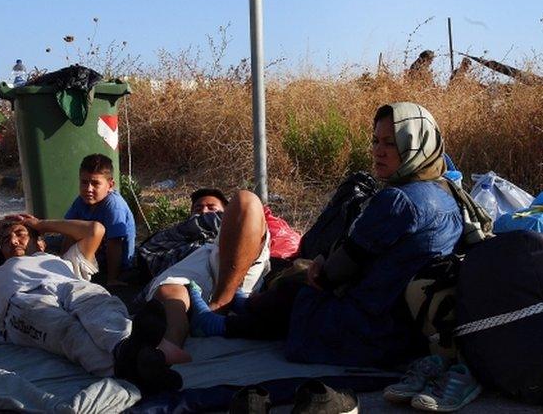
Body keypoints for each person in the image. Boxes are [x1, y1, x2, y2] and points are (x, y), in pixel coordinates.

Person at [188, 102, 464, 369]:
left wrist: (318, 269)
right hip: (407, 325)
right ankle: (247, 305)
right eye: (375, 141)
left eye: (390, 143)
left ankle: (222, 324)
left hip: (373, 330)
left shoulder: (398, 200)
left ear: (416, 144)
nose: (378, 151)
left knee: (304, 285)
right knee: (303, 276)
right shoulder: (448, 190)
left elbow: (335, 273)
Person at [0, 215, 182, 393]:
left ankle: (130, 347)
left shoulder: (64, 261)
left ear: (40, 242)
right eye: (5, 239)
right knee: (65, 330)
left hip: (67, 284)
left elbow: (96, 230)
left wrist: (40, 224)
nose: (13, 240)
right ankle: (133, 368)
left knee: (98, 303)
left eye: (20, 234)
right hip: (23, 302)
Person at [145, 187, 270, 361]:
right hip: (191, 260)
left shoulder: (232, 221)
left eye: (212, 208)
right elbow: (150, 253)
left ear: (227, 212)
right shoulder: (176, 233)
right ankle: (168, 349)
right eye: (198, 208)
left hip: (229, 257)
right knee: (170, 289)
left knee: (246, 200)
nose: (204, 211)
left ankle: (219, 306)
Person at [62, 154, 137, 284]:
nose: (88, 189)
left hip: (113, 266)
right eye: (84, 182)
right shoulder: (81, 201)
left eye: (95, 183)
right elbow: (69, 231)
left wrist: (112, 279)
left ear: (110, 185)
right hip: (91, 256)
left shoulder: (113, 205)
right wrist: (62, 266)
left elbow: (115, 244)